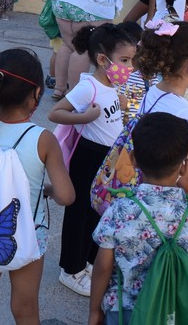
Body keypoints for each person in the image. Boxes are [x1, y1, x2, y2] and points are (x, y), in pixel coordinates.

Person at [0, 48, 75, 325]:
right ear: (36, 93)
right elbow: (66, 196)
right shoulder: (42, 139)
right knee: (25, 308)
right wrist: (47, 189)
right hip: (29, 233)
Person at [89, 112, 188, 325]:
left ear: (133, 160)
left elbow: (103, 267)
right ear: (184, 166)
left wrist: (95, 310)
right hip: (173, 315)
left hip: (123, 314)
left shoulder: (119, 209)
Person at [48, 23, 135, 297]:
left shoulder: (113, 86)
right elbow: (55, 113)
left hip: (109, 159)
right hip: (88, 157)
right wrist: (84, 117)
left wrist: (122, 109)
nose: (130, 67)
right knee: (80, 214)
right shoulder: (89, 87)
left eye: (131, 60)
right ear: (103, 59)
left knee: (100, 212)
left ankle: (89, 262)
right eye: (124, 60)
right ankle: (71, 270)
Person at [134, 19, 188, 201]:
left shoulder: (154, 91)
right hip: (169, 198)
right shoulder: (185, 113)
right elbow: (185, 176)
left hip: (145, 186)